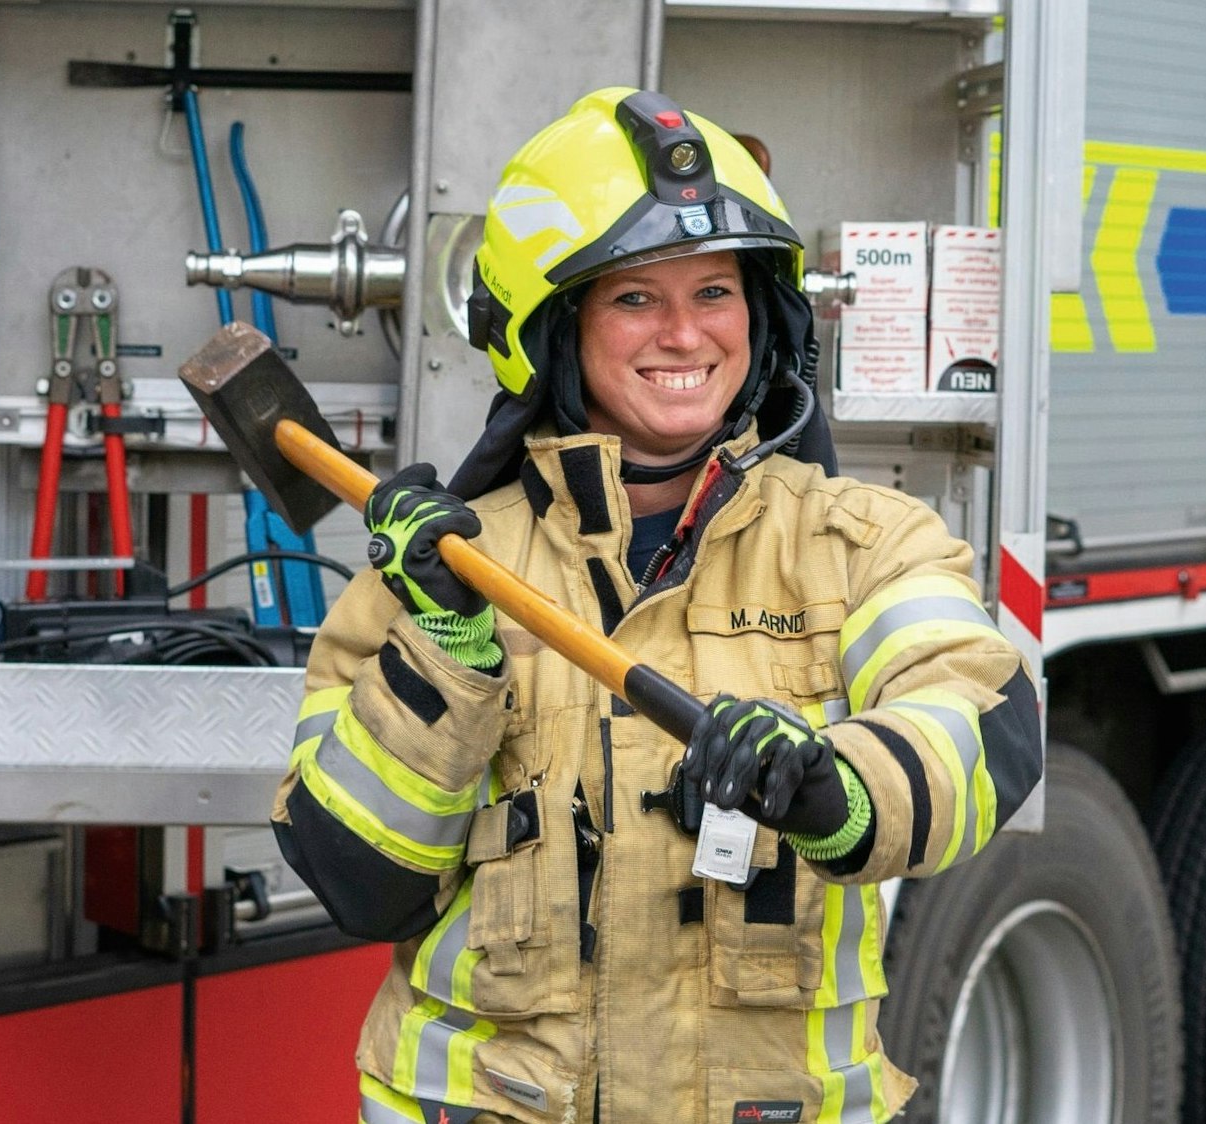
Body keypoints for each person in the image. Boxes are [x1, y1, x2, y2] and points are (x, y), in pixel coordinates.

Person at [271, 87, 1042, 1124]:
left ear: (761, 315)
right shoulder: (440, 573)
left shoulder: (863, 542)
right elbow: (360, 880)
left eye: (714, 291)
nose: (684, 334)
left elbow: (980, 719)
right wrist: (445, 650)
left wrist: (834, 786)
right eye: (635, 297)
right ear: (554, 328)